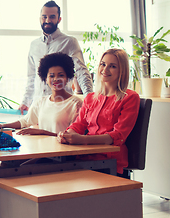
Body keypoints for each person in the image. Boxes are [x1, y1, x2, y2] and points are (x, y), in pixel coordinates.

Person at [57, 48, 140, 177]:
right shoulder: (90, 98)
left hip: (109, 161)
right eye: (103, 64)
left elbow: (117, 136)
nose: (105, 70)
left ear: (122, 71)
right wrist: (66, 135)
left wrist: (82, 140)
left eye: (112, 66)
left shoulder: (130, 97)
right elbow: (77, 126)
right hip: (85, 157)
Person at [19, 0, 93, 113]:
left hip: (62, 106)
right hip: (38, 107)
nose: (48, 20)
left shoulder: (69, 42)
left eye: (52, 17)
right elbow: (31, 77)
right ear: (40, 18)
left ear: (59, 19)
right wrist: (25, 102)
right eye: (44, 17)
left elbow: (81, 72)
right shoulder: (34, 45)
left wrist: (89, 98)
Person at [0, 53, 83, 136]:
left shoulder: (76, 104)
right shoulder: (41, 102)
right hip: (43, 149)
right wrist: (2, 126)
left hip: (63, 149)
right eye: (51, 76)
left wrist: (42, 132)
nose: (56, 79)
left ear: (67, 78)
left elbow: (72, 136)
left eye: (61, 75)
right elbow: (25, 121)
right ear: (46, 79)